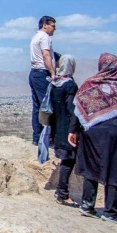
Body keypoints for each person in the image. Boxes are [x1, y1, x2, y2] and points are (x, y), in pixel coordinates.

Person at [68, 53, 117, 224]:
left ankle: (87, 205)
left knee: (91, 167)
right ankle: (110, 211)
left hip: (91, 132)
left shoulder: (90, 84)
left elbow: (78, 108)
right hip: (114, 133)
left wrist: (72, 131)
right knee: (113, 169)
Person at [48, 54, 79, 205]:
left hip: (57, 127)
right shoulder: (70, 85)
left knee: (66, 160)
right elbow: (72, 109)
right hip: (68, 128)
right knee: (68, 161)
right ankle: (62, 192)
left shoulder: (55, 83)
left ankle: (62, 191)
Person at [29, 16, 56, 145]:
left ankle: (37, 137)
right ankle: (47, 139)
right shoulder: (45, 37)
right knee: (47, 106)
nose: (54, 29)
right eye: (52, 26)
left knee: (37, 107)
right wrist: (53, 73)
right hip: (42, 73)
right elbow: (46, 55)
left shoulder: (35, 37)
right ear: (45, 25)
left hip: (34, 73)